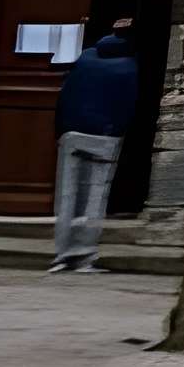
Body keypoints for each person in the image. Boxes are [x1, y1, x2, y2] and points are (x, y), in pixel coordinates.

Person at [49, 16, 139, 272]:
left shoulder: (86, 57)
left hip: (72, 133)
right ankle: (84, 257)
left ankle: (61, 255)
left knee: (67, 198)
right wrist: (118, 131)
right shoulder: (129, 65)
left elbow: (65, 95)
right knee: (93, 199)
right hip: (104, 136)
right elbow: (126, 106)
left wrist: (60, 130)